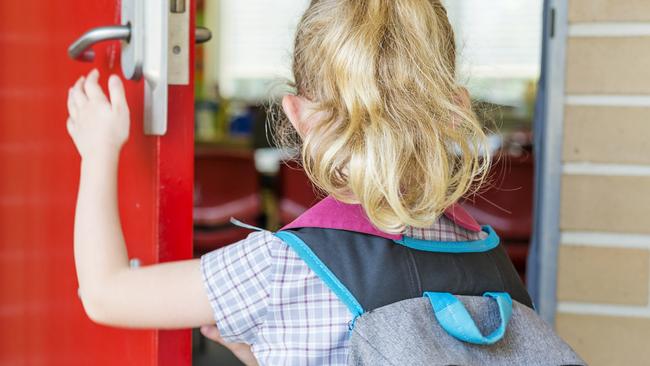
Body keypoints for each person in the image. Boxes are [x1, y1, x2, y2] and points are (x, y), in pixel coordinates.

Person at [65, 1, 532, 365]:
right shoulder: (491, 259)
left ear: (298, 115)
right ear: (455, 109)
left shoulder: (277, 268)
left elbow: (105, 294)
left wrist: (99, 151)